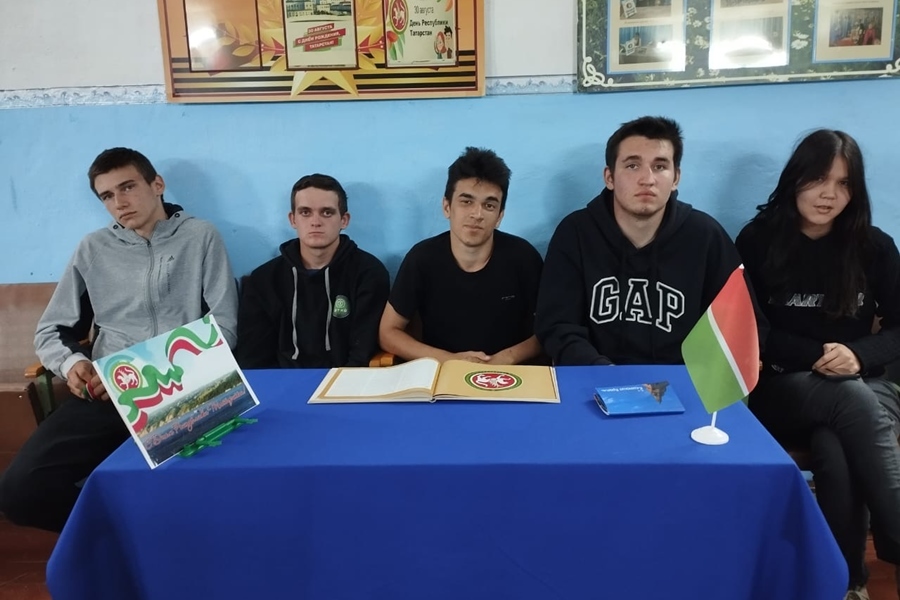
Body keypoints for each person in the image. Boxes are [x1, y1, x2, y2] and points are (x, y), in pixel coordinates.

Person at [0, 147, 238, 532]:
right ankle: (129, 535)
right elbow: (51, 330)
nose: (119, 203)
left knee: (197, 492)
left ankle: (169, 539)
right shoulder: (93, 249)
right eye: (107, 196)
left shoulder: (200, 237)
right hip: (108, 394)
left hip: (181, 388)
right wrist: (74, 364)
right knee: (19, 491)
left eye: (127, 187)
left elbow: (224, 327)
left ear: (157, 185)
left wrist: (142, 373)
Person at [735, 129, 900, 600]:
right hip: (783, 387)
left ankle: (846, 583)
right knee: (846, 399)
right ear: (795, 179)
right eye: (819, 179)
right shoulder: (757, 241)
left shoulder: (875, 247)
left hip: (867, 385)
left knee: (835, 447)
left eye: (844, 183)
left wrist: (859, 355)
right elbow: (751, 332)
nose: (830, 194)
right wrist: (818, 357)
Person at [535, 115, 752, 366]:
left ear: (676, 178)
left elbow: (740, 324)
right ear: (609, 177)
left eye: (660, 166)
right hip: (595, 377)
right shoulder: (576, 233)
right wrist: (601, 371)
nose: (647, 179)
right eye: (632, 165)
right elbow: (558, 326)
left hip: (683, 380)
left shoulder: (706, 236)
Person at [379, 147, 543, 365]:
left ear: (499, 216)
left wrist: (506, 358)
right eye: (466, 202)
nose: (477, 214)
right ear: (447, 207)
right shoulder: (422, 259)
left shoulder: (523, 258)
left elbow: (550, 329)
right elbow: (388, 332)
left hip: (511, 374)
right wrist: (449, 360)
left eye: (489, 205)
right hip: (443, 373)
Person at [235, 173, 389, 369]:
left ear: (344, 220)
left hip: (345, 381)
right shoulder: (263, 280)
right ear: (293, 219)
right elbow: (252, 359)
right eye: (305, 212)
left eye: (327, 213)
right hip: (281, 383)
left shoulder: (369, 273)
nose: (316, 222)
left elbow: (362, 353)